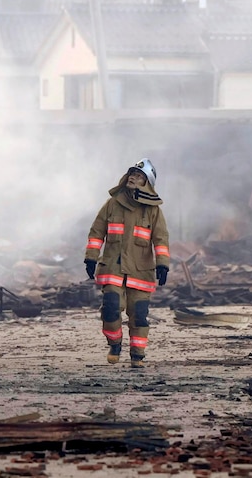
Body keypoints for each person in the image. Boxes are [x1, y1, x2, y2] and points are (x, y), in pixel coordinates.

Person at [84, 158, 170, 368]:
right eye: (131, 173)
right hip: (113, 267)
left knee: (139, 315)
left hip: (141, 272)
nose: (133, 177)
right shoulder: (113, 204)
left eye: (138, 175)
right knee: (111, 308)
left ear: (146, 182)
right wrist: (91, 257)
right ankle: (114, 344)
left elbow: (161, 239)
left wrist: (163, 264)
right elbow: (97, 233)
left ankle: (137, 354)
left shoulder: (153, 211)